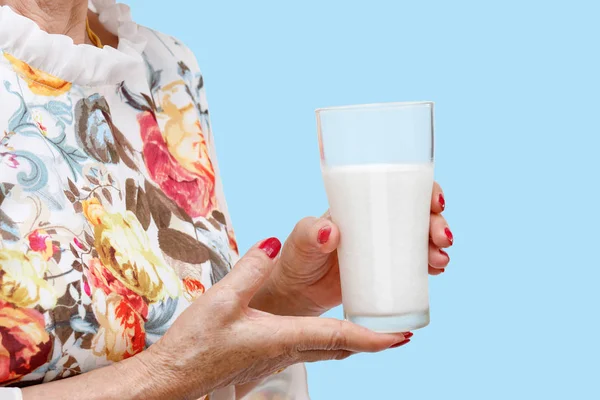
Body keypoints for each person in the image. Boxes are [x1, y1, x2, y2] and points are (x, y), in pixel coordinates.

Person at [0, 1, 454, 399]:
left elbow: (201, 365)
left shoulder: (165, 66)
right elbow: (178, 370)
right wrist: (165, 376)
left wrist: (286, 297)